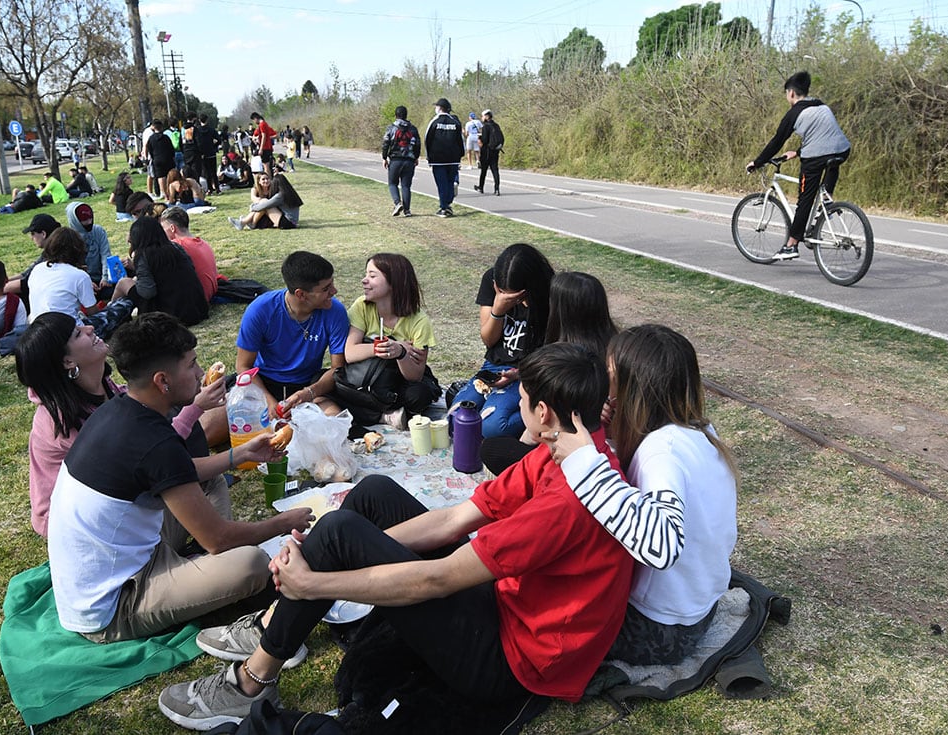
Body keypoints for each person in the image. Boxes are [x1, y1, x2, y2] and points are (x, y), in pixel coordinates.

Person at [156, 343, 637, 731]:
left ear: (545, 411)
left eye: (523, 399)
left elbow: (437, 580)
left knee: (341, 531)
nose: (510, 406)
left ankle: (251, 681)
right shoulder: (568, 451)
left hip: (516, 662)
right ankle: (279, 616)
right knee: (371, 496)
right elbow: (455, 520)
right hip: (507, 604)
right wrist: (345, 550)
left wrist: (320, 582)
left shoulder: (569, 499)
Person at [46, 312, 314, 643]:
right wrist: (284, 522)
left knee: (211, 478)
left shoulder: (120, 409)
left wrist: (238, 456)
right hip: (112, 606)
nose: (202, 374)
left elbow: (178, 471)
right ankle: (208, 574)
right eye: (192, 365)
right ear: (162, 381)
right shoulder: (152, 441)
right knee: (252, 564)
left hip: (131, 553)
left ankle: (202, 572)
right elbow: (220, 539)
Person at [545, 324, 736, 665]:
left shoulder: (662, 451)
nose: (604, 386)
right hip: (698, 610)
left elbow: (661, 544)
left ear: (632, 391)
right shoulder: (698, 430)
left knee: (539, 602)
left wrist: (584, 462)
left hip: (657, 629)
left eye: (610, 376)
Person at [15, 312, 220, 537]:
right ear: (67, 361)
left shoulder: (103, 386)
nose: (90, 329)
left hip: (116, 500)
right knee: (198, 475)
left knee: (205, 475)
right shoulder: (58, 421)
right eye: (77, 333)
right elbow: (148, 458)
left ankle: (208, 549)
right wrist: (195, 408)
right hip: (83, 526)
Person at [480, 271, 618, 475]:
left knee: (492, 448)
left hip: (565, 451)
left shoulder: (565, 357)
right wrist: (519, 374)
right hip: (593, 449)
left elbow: (541, 428)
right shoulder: (613, 349)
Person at [449, 243, 554, 439]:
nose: (513, 301)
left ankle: (536, 418)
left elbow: (553, 357)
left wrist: (519, 374)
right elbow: (489, 341)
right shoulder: (491, 279)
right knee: (457, 418)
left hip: (530, 373)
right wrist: (498, 310)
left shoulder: (552, 292)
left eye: (519, 296)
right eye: (504, 293)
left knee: (492, 427)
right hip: (495, 367)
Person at [747, 70, 851, 261]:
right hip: (842, 150)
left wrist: (758, 161)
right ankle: (827, 198)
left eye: (787, 94)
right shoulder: (820, 105)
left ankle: (791, 245)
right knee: (832, 164)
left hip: (816, 157)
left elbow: (776, 142)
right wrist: (797, 152)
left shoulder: (794, 113)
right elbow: (823, 136)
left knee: (805, 200)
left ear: (791, 93)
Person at [234, 251, 347, 419]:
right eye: (326, 288)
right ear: (301, 294)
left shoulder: (335, 311)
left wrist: (308, 393)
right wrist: (269, 401)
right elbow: (243, 366)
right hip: (263, 384)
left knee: (336, 421)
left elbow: (337, 368)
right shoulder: (261, 309)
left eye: (332, 283)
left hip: (309, 386)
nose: (334, 291)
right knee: (211, 426)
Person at [339, 253, 439, 428]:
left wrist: (400, 354)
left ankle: (371, 412)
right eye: (366, 274)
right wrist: (389, 346)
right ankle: (383, 417)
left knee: (419, 394)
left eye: (372, 276)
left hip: (398, 381)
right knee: (329, 384)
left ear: (394, 283)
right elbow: (350, 353)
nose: (364, 280)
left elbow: (415, 375)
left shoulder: (419, 321)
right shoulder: (362, 306)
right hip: (368, 377)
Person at [111, 216, 209, 327]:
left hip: (170, 315)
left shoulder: (143, 255)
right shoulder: (176, 247)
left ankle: (109, 315)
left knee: (123, 283)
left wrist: (136, 279)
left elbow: (147, 292)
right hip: (197, 310)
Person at [27, 228, 103, 323]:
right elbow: (93, 312)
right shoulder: (80, 276)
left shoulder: (37, 269)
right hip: (68, 331)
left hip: (37, 328)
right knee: (118, 308)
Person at [160, 207, 220, 303]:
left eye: (163, 229)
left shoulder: (178, 245)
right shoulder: (203, 243)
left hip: (195, 300)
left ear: (172, 228)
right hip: (209, 293)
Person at [5, 214, 60, 311]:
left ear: (43, 234)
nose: (31, 238)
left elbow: (27, 283)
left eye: (33, 234)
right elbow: (25, 274)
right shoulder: (49, 252)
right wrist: (2, 282)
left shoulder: (54, 256)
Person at [424, 97, 465, 217]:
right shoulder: (455, 122)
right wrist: (460, 155)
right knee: (450, 182)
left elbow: (427, 139)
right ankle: (447, 204)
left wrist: (429, 156)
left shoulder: (434, 121)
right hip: (453, 159)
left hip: (438, 159)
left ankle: (444, 207)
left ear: (440, 108)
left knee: (441, 183)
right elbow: (460, 140)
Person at [66, 202, 113, 296]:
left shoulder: (98, 231)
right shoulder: (68, 238)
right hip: (81, 282)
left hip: (101, 280)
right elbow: (69, 268)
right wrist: (87, 283)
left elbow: (105, 255)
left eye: (90, 219)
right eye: (84, 220)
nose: (89, 222)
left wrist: (105, 277)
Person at [382, 105, 421, 217]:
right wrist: (416, 157)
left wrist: (384, 157)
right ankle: (407, 210)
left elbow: (386, 143)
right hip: (409, 160)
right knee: (406, 186)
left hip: (395, 159)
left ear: (396, 115)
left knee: (392, 183)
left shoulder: (391, 128)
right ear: (406, 115)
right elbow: (418, 144)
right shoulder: (413, 129)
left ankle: (397, 203)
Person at [228, 173, 302, 230]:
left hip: (287, 223)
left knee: (264, 202)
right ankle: (247, 223)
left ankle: (245, 222)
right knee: (264, 202)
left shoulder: (280, 196)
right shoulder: (289, 192)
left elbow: (265, 205)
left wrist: (252, 207)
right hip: (292, 222)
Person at [146, 119, 177, 202]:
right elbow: (171, 149)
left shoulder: (151, 138)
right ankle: (172, 192)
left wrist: (153, 157)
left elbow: (149, 149)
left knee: (160, 177)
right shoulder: (166, 137)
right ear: (161, 127)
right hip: (168, 159)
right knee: (170, 175)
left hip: (157, 159)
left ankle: (164, 193)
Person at [475, 109, 504, 196]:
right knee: (495, 170)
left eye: (483, 116)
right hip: (495, 151)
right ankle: (497, 189)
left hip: (486, 151)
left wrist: (479, 138)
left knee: (484, 170)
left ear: (487, 117)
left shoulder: (485, 127)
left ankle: (481, 187)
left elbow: (484, 140)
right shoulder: (496, 126)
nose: (482, 118)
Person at [195, 114, 222, 195]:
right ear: (207, 120)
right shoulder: (211, 130)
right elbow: (219, 140)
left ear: (199, 120)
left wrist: (200, 152)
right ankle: (217, 188)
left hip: (203, 154)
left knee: (206, 172)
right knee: (213, 171)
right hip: (211, 152)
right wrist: (214, 146)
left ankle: (210, 189)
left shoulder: (197, 130)